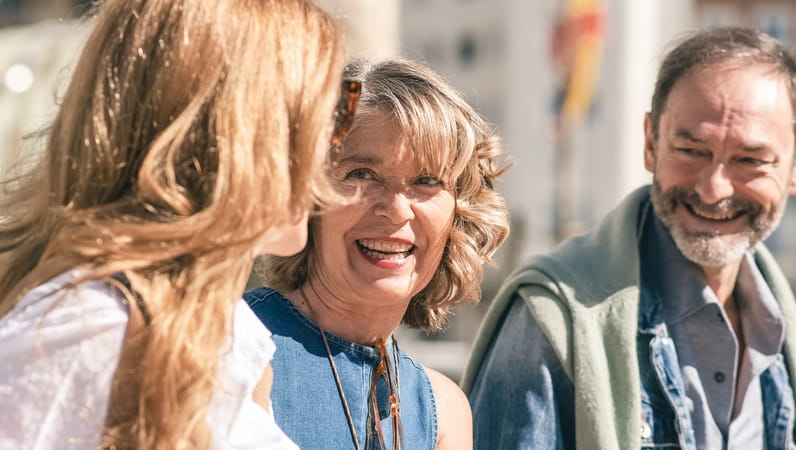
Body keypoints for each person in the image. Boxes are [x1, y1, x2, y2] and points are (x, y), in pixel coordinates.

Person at [0, 0, 348, 448]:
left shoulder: (220, 340)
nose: (334, 145)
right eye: (329, 115)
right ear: (238, 134)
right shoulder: (87, 335)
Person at [463, 26, 796, 450]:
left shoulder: (784, 325)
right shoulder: (554, 322)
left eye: (749, 160)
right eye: (691, 151)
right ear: (650, 143)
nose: (714, 189)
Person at [245, 58, 510, 450]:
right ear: (307, 196)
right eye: (361, 174)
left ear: (460, 212)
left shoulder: (443, 412)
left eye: (426, 180)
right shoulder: (230, 347)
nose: (397, 210)